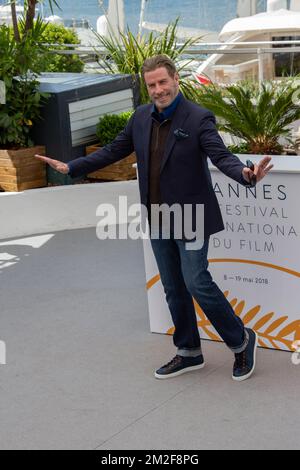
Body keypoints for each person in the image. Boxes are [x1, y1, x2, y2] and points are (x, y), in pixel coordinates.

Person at [35, 54, 273, 382]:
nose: (158, 90)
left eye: (162, 82)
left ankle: (241, 340)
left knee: (196, 282)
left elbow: (221, 156)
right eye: (151, 85)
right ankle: (188, 351)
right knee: (174, 287)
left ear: (176, 79)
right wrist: (71, 167)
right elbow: (113, 150)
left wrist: (246, 174)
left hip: (191, 216)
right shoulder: (140, 118)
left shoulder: (198, 118)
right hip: (159, 215)